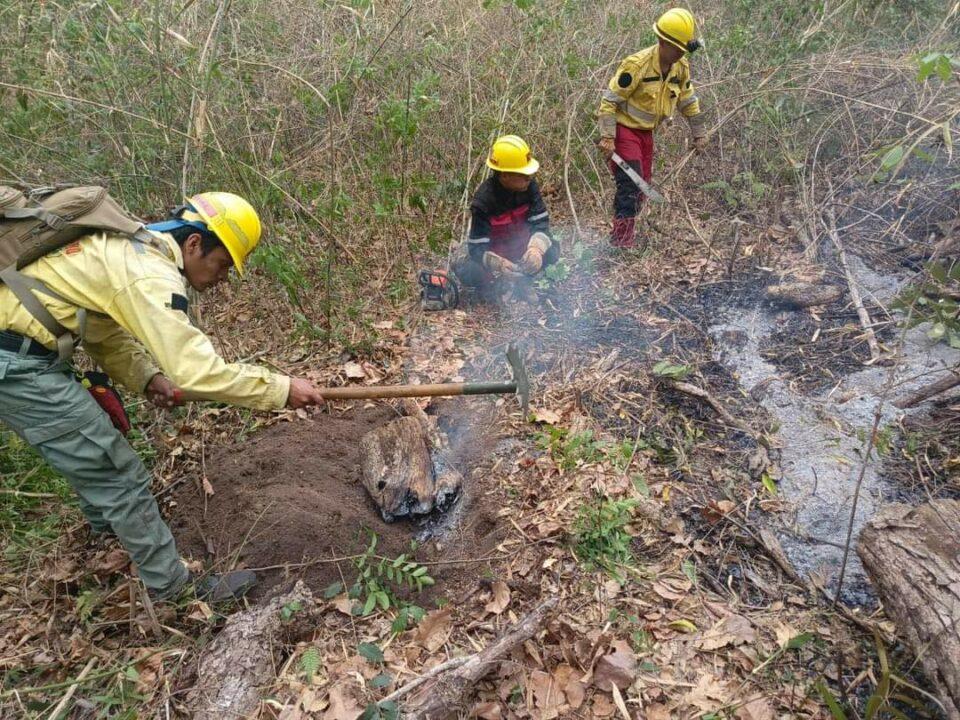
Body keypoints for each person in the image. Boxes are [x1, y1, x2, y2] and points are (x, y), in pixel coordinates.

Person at [0, 192, 326, 601]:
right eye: (223, 263)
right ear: (193, 243)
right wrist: (281, 389)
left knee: (96, 448)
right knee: (117, 472)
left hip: (26, 356)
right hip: (17, 365)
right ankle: (173, 590)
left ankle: (111, 534)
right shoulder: (150, 273)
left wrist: (147, 377)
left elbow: (98, 328)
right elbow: (196, 371)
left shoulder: (126, 248)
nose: (224, 277)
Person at [597, 7, 709, 248]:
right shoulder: (636, 65)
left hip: (647, 133)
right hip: (625, 131)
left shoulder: (681, 68)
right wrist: (607, 137)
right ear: (662, 41)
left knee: (643, 186)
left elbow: (688, 101)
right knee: (631, 183)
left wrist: (699, 133)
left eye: (683, 49)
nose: (680, 53)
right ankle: (621, 243)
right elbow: (609, 102)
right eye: (677, 48)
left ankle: (627, 231)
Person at [452, 135, 559, 304]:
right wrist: (498, 264)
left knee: (552, 249)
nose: (528, 177)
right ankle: (495, 286)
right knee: (470, 270)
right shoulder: (483, 201)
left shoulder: (530, 187)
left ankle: (524, 280)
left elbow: (541, 225)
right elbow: (477, 248)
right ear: (504, 175)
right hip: (496, 251)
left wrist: (536, 250)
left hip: (521, 249)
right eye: (522, 174)